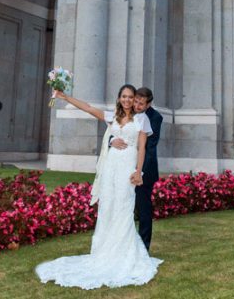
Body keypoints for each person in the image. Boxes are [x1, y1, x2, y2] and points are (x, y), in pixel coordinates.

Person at [36, 85, 162, 289]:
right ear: (120, 98)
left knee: (124, 207)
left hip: (127, 168)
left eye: (131, 97)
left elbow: (142, 148)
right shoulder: (112, 116)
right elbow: (87, 108)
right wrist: (64, 96)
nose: (128, 100)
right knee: (108, 206)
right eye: (125, 96)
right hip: (111, 167)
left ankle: (125, 253)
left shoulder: (142, 119)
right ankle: (104, 250)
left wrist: (139, 172)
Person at [110, 86, 162, 251]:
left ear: (149, 104)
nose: (137, 105)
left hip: (145, 169)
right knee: (124, 205)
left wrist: (139, 171)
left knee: (143, 208)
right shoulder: (128, 112)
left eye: (141, 103)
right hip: (123, 167)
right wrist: (112, 140)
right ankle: (123, 244)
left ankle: (143, 247)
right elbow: (117, 129)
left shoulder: (155, 118)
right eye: (136, 101)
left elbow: (149, 147)